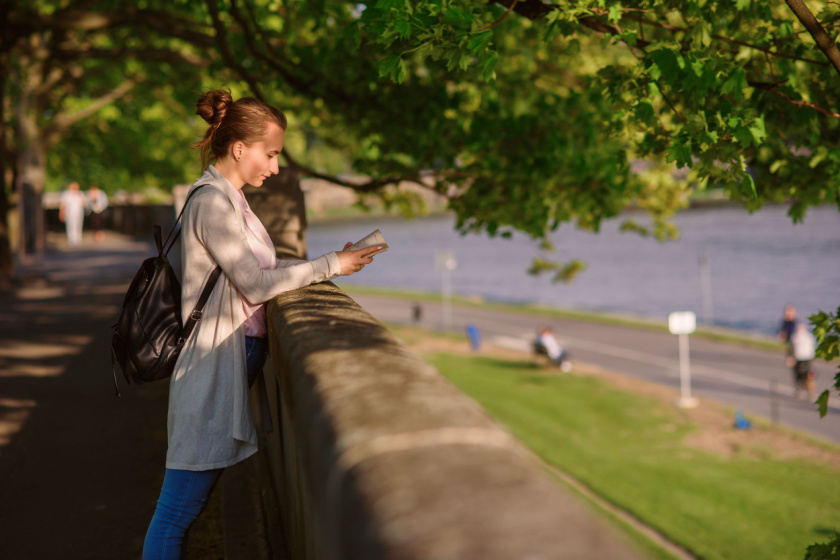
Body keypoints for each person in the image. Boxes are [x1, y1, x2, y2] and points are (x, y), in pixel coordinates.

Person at [142, 89, 379, 560]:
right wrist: (332, 263)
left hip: (226, 361)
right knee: (176, 512)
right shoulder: (213, 203)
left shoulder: (230, 200)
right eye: (270, 154)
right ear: (239, 149)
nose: (274, 167)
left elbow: (259, 272)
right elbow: (253, 282)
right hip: (210, 367)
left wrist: (332, 262)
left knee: (185, 506)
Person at [789, 323, 816, 400]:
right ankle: (803, 389)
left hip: (803, 359)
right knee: (804, 375)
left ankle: (805, 390)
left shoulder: (796, 337)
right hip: (804, 358)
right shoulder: (808, 337)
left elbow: (791, 348)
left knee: (803, 375)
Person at [58, 181, 86, 246]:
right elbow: (63, 204)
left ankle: (78, 239)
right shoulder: (66, 194)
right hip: (69, 213)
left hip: (79, 213)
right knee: (70, 226)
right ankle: (71, 240)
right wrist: (61, 213)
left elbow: (84, 203)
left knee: (78, 226)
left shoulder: (80, 193)